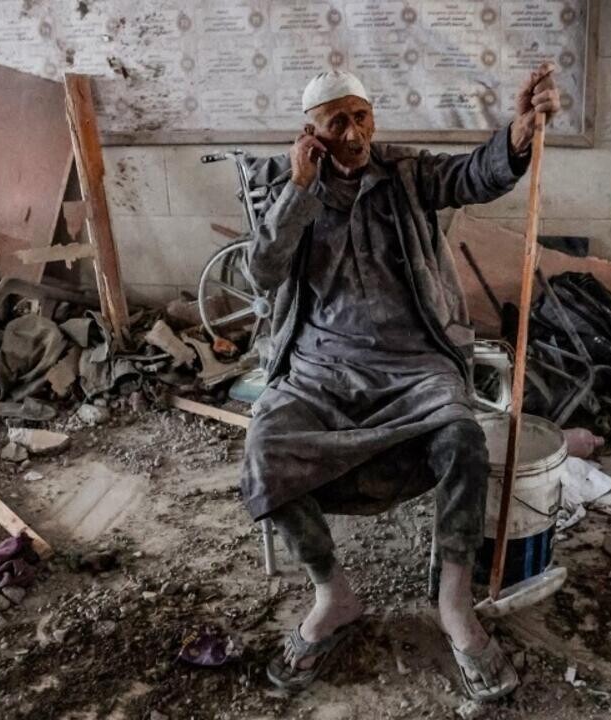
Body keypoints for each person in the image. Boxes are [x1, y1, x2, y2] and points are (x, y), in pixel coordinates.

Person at [239, 65, 561, 701]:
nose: (353, 133)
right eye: (337, 122)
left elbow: (472, 175)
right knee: (265, 451)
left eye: (361, 116)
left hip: (415, 362)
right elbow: (262, 273)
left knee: (462, 438)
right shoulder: (283, 183)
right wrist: (300, 189)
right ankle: (333, 595)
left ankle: (454, 605)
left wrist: (519, 134)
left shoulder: (406, 172)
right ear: (311, 132)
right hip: (320, 368)